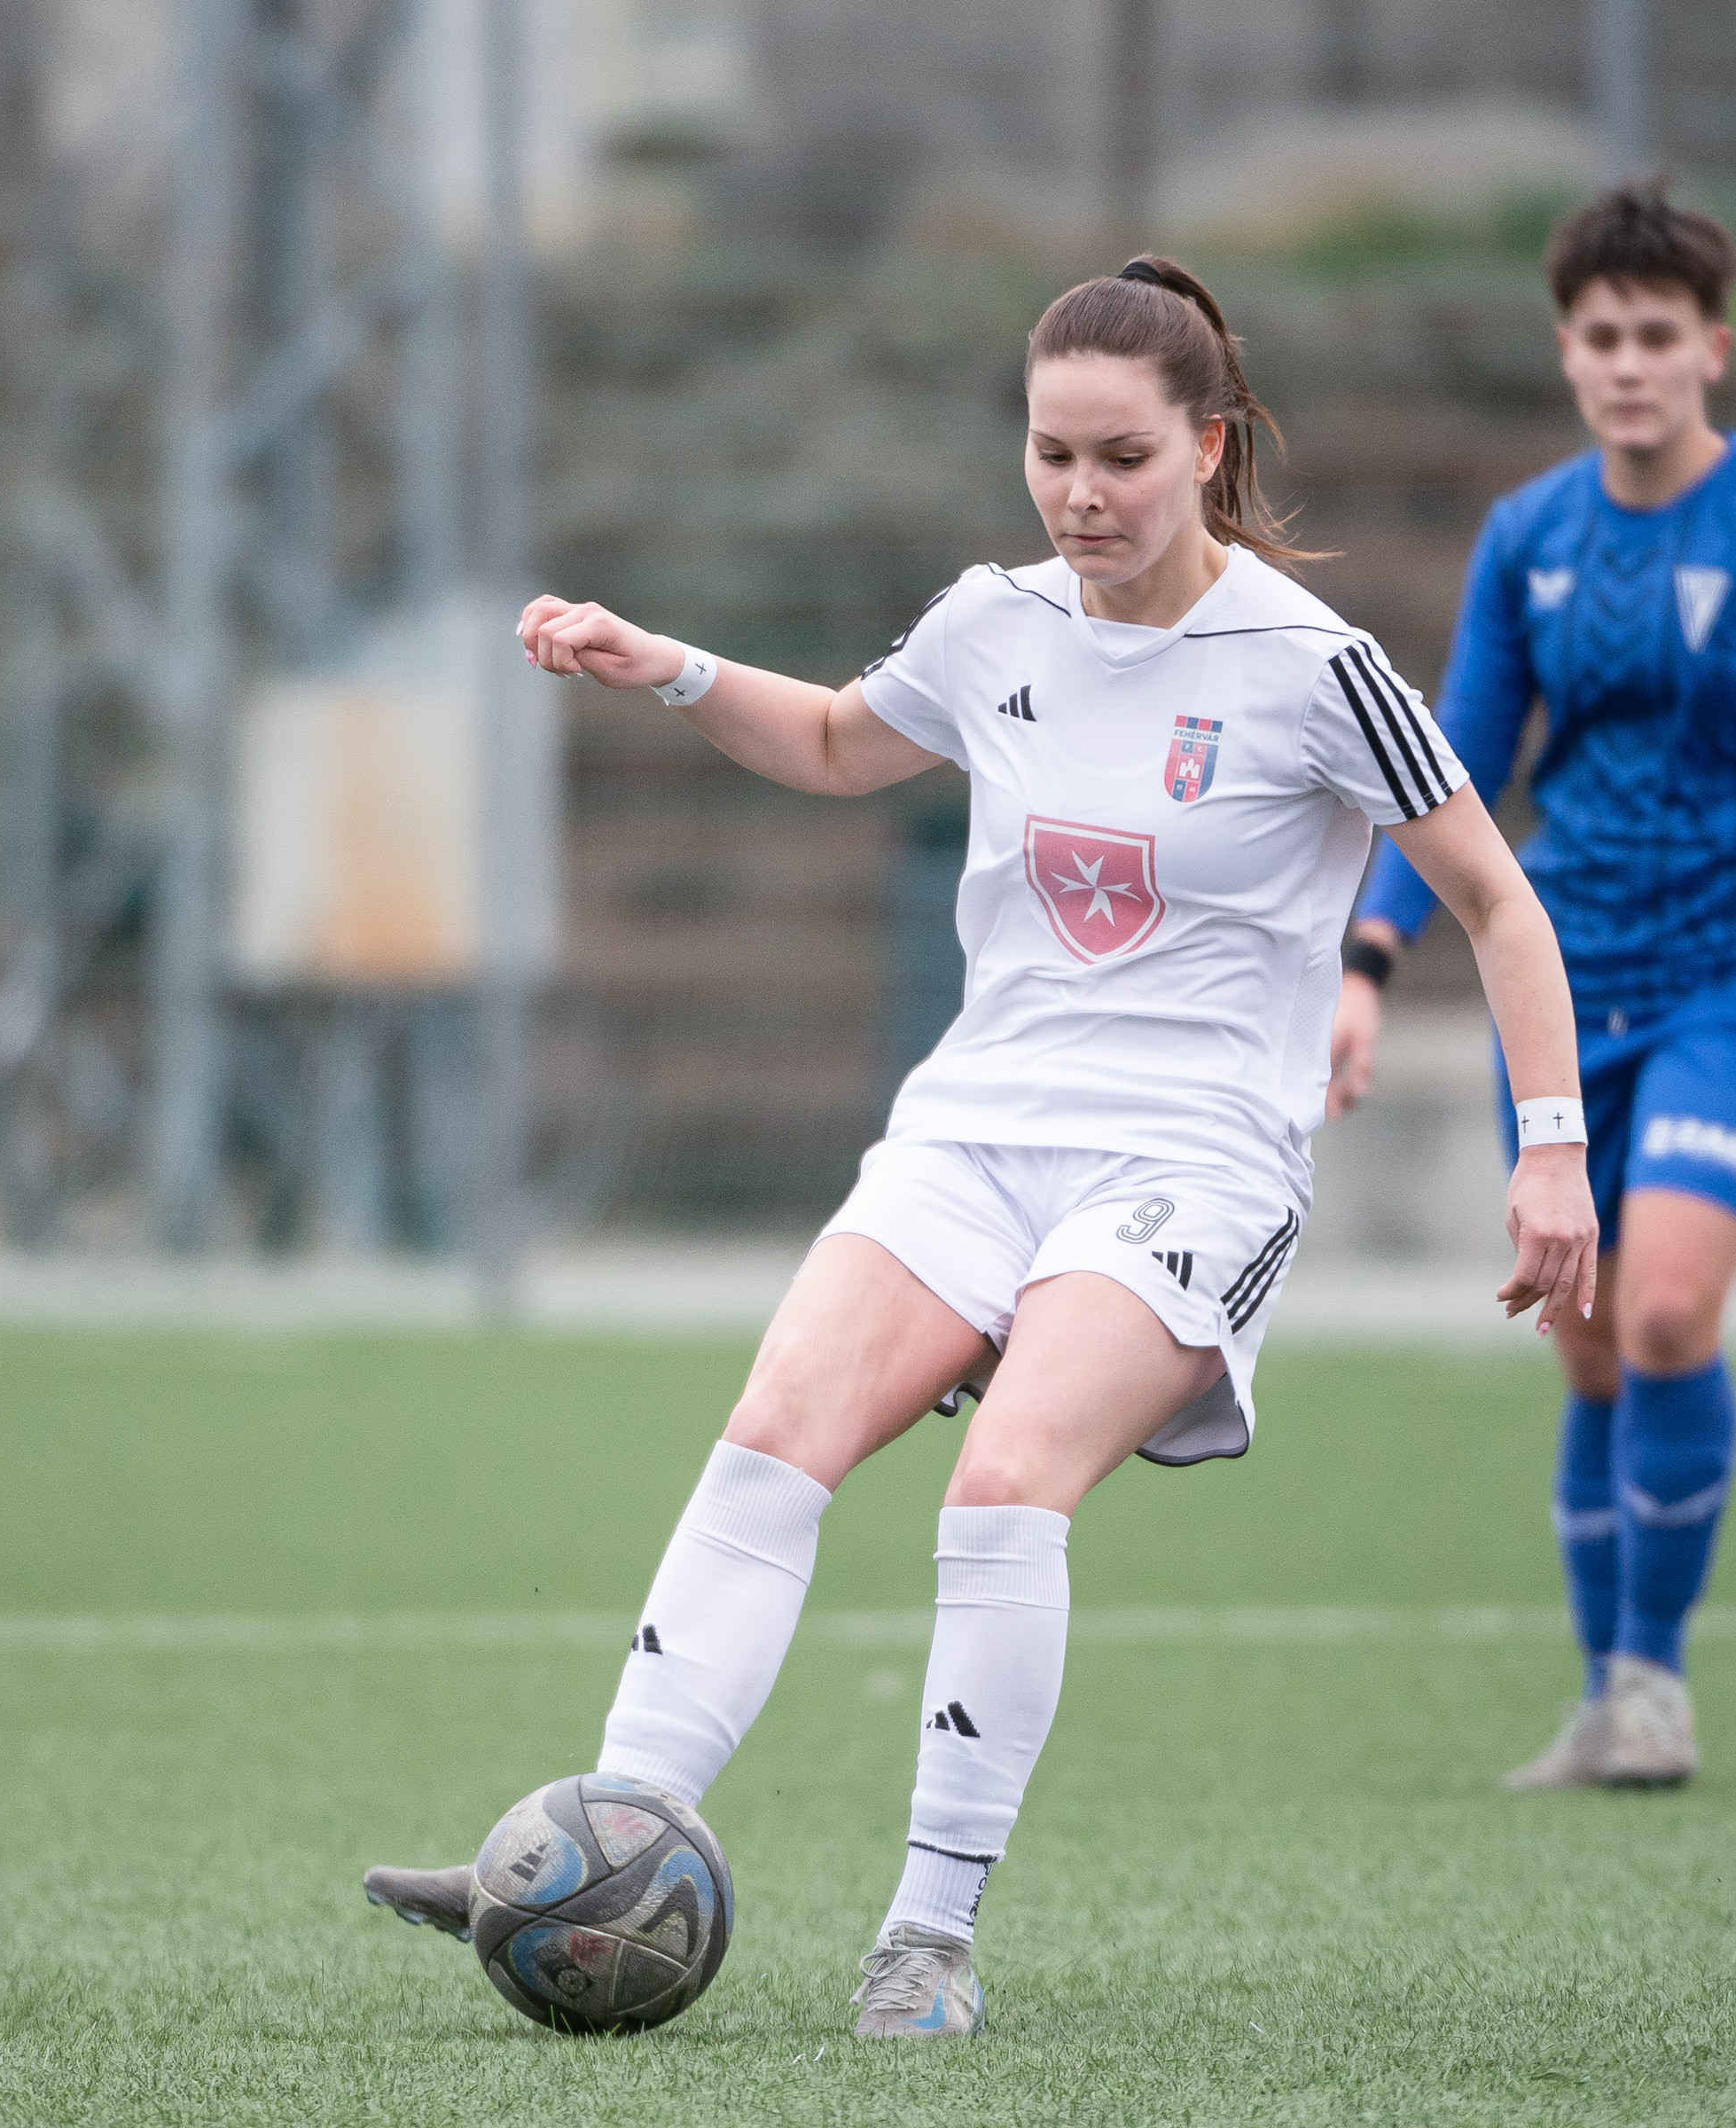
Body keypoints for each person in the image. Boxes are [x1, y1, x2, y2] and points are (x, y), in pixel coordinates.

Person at [357, 256, 1599, 2042]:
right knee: (773, 1438)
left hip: (1193, 1162)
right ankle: (602, 1848)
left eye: (1123, 458)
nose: (1081, 496)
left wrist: (1549, 1150)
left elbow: (1499, 902)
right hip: (975, 1129)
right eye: (1051, 455)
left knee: (1005, 1485)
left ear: (1209, 447)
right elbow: (837, 743)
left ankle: (926, 1940)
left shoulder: (1318, 667)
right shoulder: (990, 622)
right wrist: (668, 666)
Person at [1333, 184, 1736, 1792]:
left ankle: (1655, 1688)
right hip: (1567, 980)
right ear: (1567, 351)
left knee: (1667, 1303)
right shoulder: (1530, 535)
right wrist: (1368, 961)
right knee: (1594, 1345)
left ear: (1713, 349)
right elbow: (1451, 770)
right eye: (1600, 336)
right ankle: (1607, 1694)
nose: (1628, 363)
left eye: (1656, 335)